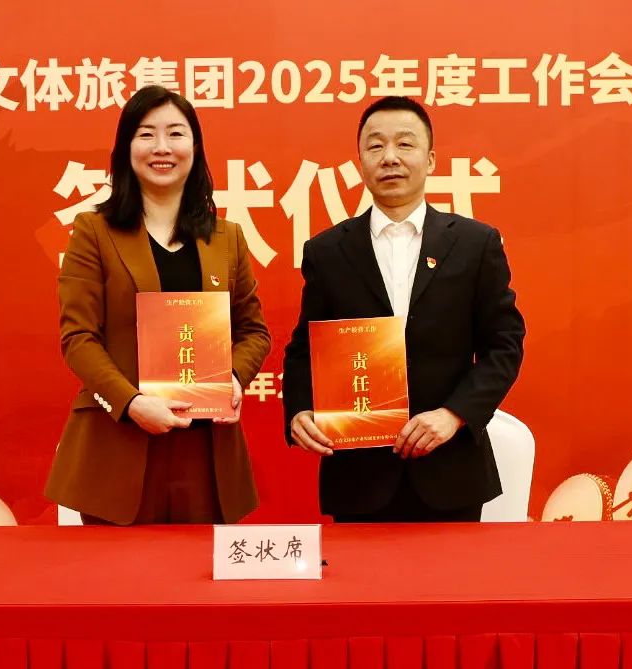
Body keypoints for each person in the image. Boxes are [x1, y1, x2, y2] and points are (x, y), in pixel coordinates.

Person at [282, 96, 525, 523]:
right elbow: (306, 346)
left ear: (430, 160)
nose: (389, 157)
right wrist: (300, 409)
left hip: (450, 469)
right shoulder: (328, 251)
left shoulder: (475, 244)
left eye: (405, 144)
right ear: (360, 163)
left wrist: (454, 415)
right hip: (358, 474)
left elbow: (504, 344)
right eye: (375, 146)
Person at [46, 86, 270, 525]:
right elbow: (79, 338)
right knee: (118, 571)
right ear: (126, 149)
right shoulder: (93, 231)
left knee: (200, 569)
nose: (162, 147)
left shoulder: (227, 237)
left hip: (205, 451)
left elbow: (254, 332)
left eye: (176, 134)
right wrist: (130, 403)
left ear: (195, 148)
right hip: (120, 442)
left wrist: (233, 378)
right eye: (146, 134)